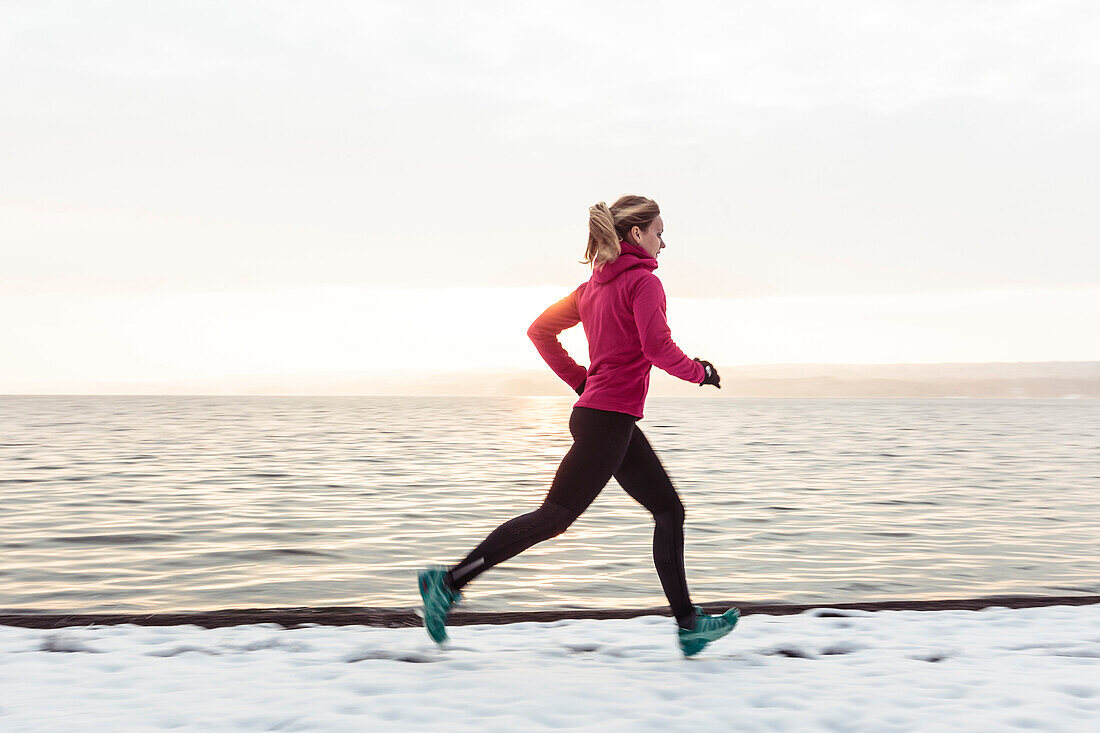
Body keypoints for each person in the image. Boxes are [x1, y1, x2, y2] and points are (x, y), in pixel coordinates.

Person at [418, 195, 739, 657]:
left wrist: (583, 383)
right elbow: (657, 348)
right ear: (636, 235)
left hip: (606, 416)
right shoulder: (643, 284)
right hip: (607, 419)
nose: (664, 243)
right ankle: (447, 581)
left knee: (669, 511)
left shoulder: (591, 288)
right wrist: (700, 372)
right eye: (659, 233)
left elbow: (539, 331)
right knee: (555, 517)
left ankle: (689, 625)